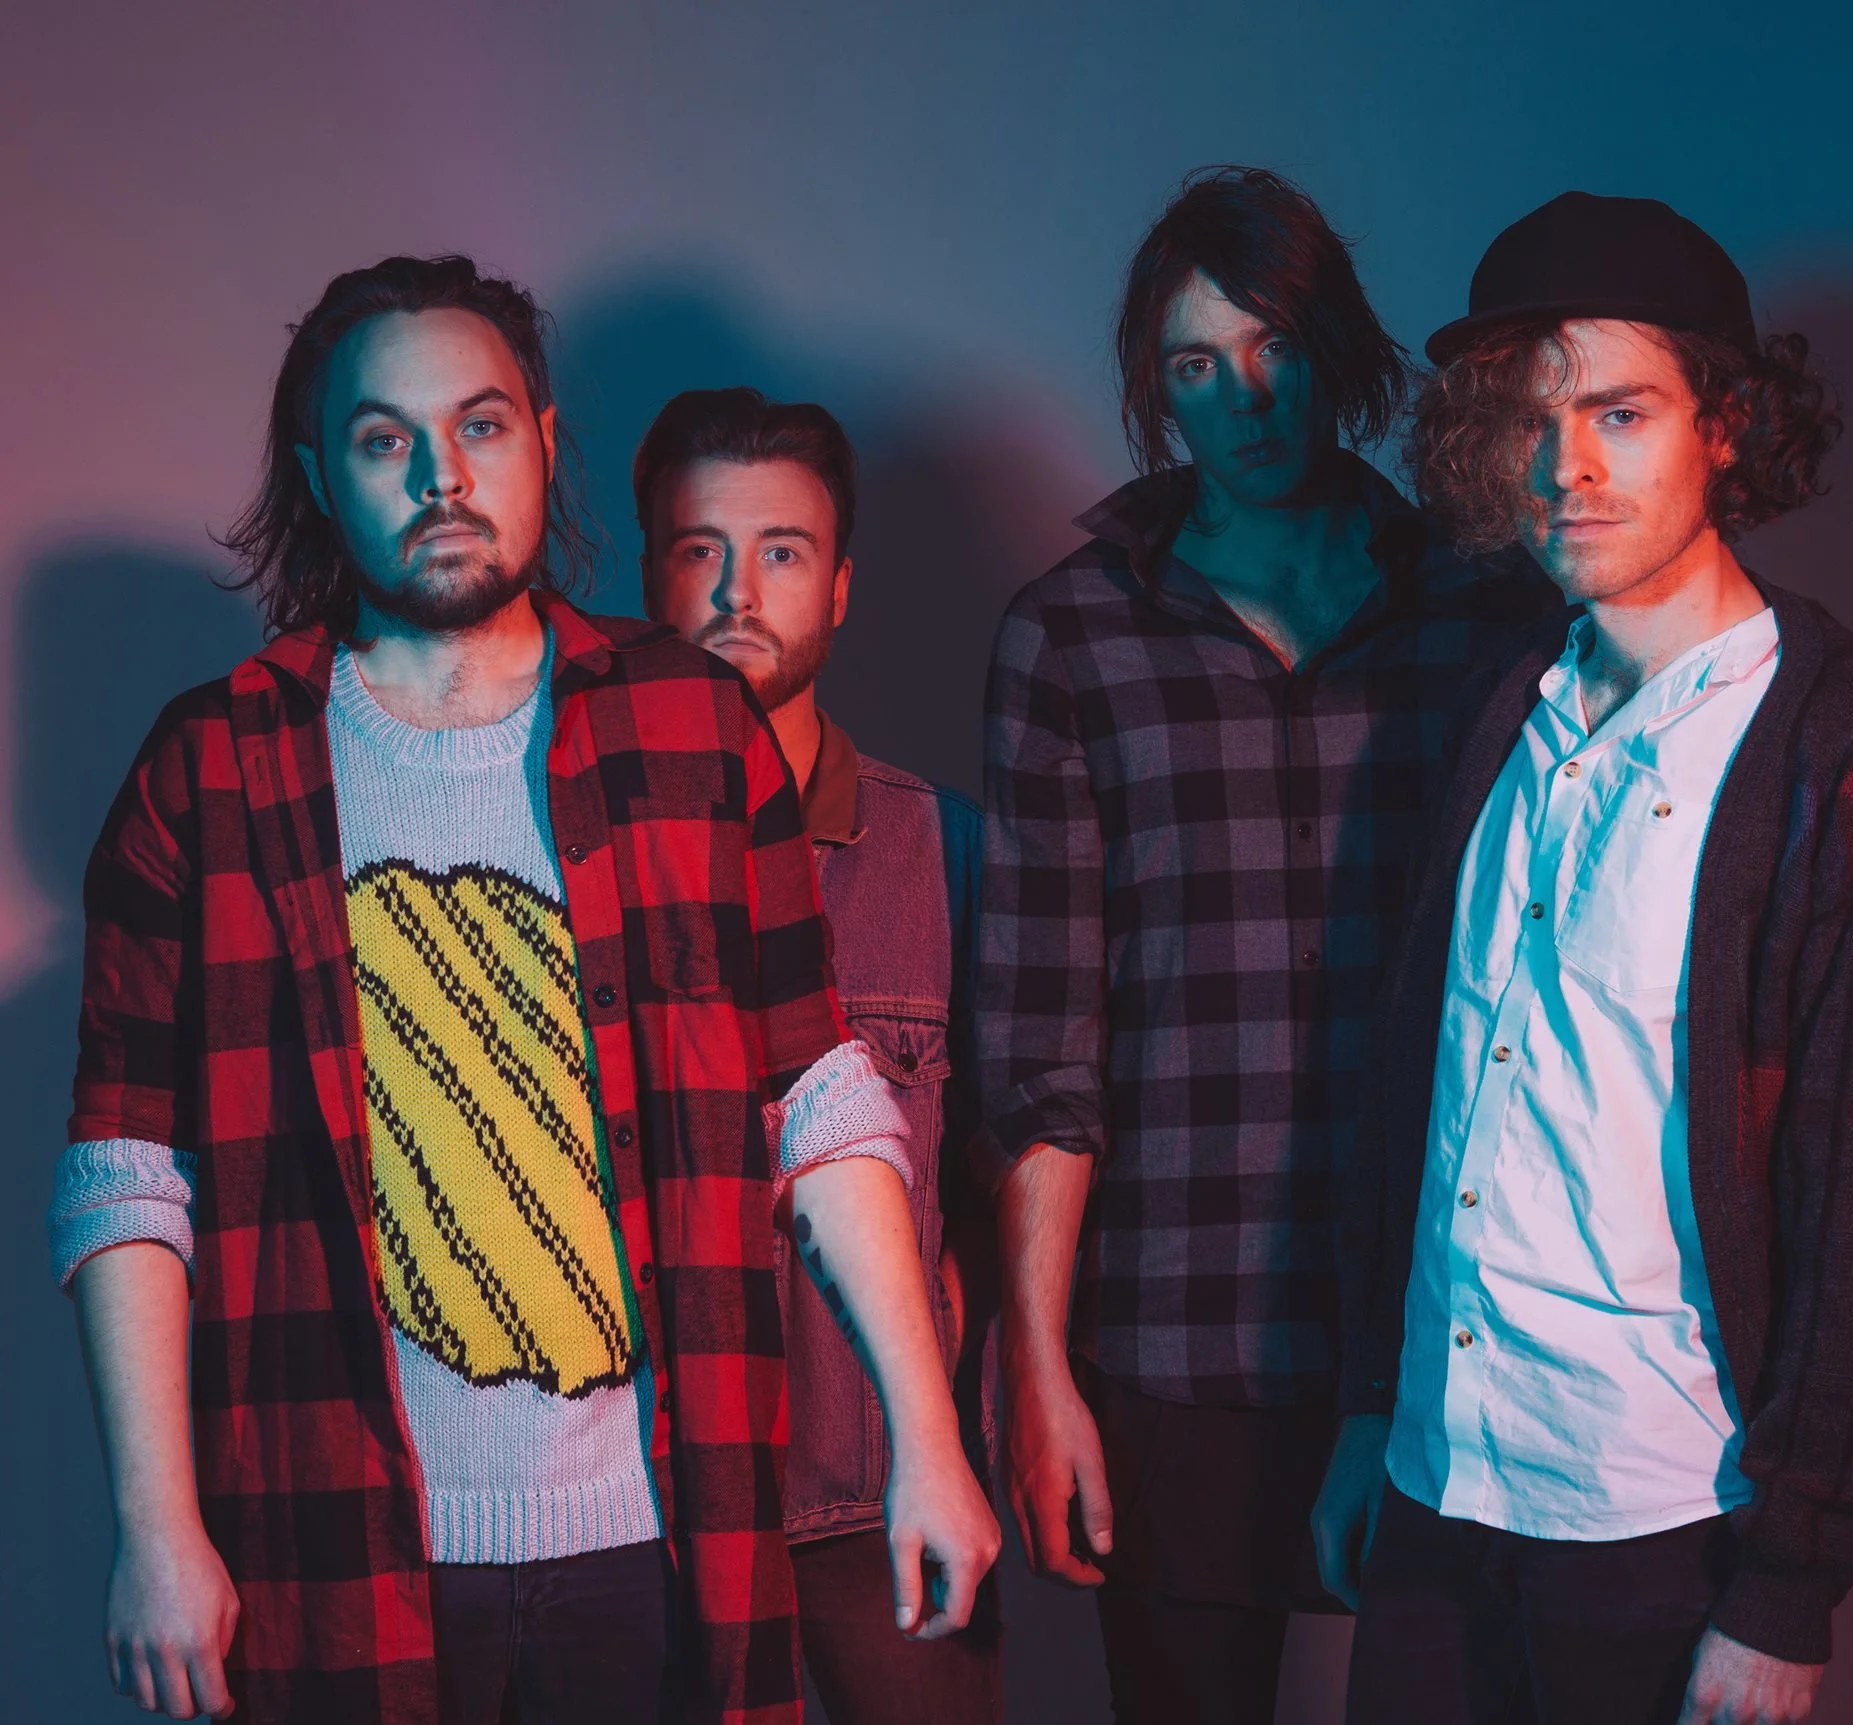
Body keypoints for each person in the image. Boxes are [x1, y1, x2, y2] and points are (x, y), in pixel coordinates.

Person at [46, 255, 994, 1725]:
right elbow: (126, 1172)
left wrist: (925, 1437)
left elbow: (818, 1099)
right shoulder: (210, 768)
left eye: (480, 426)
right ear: (320, 471)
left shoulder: (690, 726)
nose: (440, 474)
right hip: (338, 1543)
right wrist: (156, 1526)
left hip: (660, 1543)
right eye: (385, 439)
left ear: (545, 441)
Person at [1311, 193, 1853, 1725]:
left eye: (1621, 411)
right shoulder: (1503, 707)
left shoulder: (1844, 751)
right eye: (1534, 419)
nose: (1570, 468)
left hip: (1658, 1526)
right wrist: (1372, 1408)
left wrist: (1788, 1590)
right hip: (1435, 1483)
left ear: (1728, 427)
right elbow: (1422, 1091)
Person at [976, 166, 1555, 1724]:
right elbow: (1042, 1048)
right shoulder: (1076, 632)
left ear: (1343, 355)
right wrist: (1036, 1369)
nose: (1246, 397)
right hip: (1179, 1327)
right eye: (1194, 365)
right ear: (1155, 392)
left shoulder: (1482, 609)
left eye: (1276, 346)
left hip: (1450, 1333)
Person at [636, 386, 1003, 1724]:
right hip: (651, 1506)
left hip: (885, 1489)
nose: (739, 589)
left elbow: (999, 1160)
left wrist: (962, 1415)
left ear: (841, 587)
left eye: (782, 551)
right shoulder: (572, 852)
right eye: (699, 549)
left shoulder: (942, 851)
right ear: (647, 573)